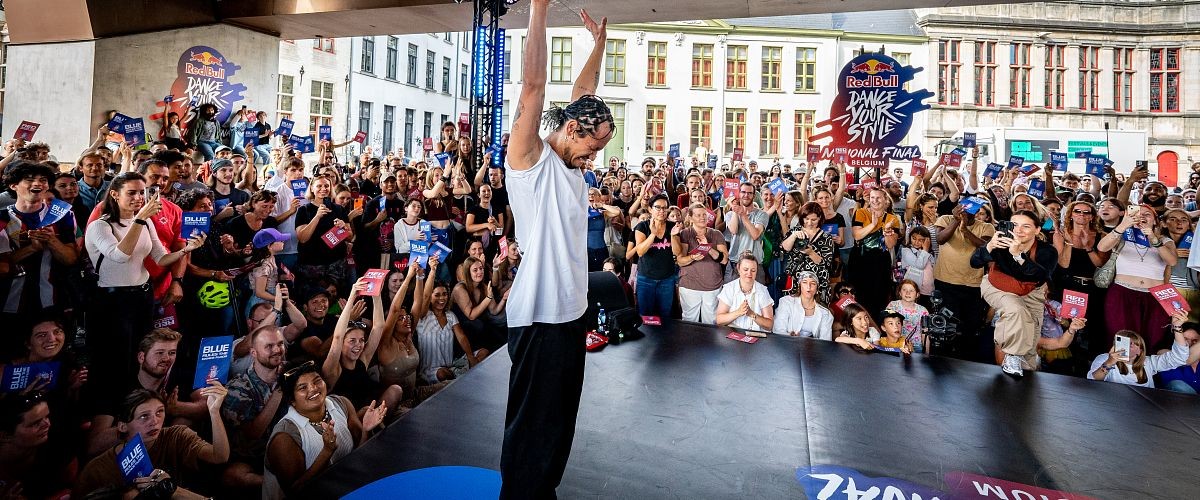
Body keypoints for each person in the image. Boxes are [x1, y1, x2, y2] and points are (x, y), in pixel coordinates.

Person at [501, 2, 613, 496]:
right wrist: (539, 9)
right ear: (571, 130)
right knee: (532, 437)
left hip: (571, 315)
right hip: (539, 318)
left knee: (558, 434)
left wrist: (599, 45)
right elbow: (533, 88)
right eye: (592, 148)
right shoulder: (530, 159)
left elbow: (582, 94)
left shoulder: (572, 158)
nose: (594, 158)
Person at [83, 173, 205, 410]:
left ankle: (137, 405)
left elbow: (160, 257)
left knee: (138, 354)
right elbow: (119, 256)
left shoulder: (145, 222)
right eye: (132, 192)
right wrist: (139, 220)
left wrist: (186, 249)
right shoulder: (101, 225)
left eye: (142, 192)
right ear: (115, 195)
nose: (139, 198)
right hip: (112, 299)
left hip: (141, 296)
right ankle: (111, 411)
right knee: (114, 358)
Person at [76, 385, 230, 497]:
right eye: (144, 416)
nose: (154, 421)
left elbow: (219, 456)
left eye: (159, 412)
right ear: (123, 426)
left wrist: (214, 412)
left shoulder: (176, 435)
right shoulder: (97, 470)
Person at [262, 361, 385, 498]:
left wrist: (366, 429)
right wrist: (327, 451)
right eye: (303, 388)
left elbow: (357, 456)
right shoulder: (284, 437)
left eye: (317, 381)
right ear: (292, 400)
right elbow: (295, 492)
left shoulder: (341, 403)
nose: (313, 388)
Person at [973, 211, 1059, 376]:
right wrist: (990, 246)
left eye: (1026, 226)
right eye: (1015, 225)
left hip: (1032, 291)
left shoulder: (1047, 251)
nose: (1019, 230)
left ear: (1037, 229)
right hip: (997, 286)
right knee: (1016, 310)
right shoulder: (1001, 243)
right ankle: (1011, 355)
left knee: (1030, 337)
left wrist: (1018, 255)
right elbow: (974, 262)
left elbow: (1040, 276)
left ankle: (1024, 380)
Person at [1096, 204, 1177, 350]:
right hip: (1123, 292)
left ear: (1155, 221)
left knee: (1153, 339)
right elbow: (1102, 247)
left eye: (1147, 214)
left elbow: (1171, 261)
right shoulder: (1122, 236)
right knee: (1122, 338)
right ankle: (1121, 371)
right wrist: (1123, 225)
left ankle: (1145, 371)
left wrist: (1152, 237)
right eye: (1138, 213)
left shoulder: (1164, 240)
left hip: (1154, 296)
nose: (1142, 216)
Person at [323, 278, 403, 416]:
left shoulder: (362, 360)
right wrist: (353, 295)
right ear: (342, 344)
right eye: (352, 341)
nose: (358, 345)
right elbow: (337, 337)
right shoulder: (333, 369)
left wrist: (376, 295)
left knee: (396, 390)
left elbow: (378, 327)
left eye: (361, 340)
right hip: (349, 422)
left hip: (371, 414)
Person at [1089, 312, 1199, 388]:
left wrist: (1178, 327)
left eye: (1134, 343)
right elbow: (1091, 381)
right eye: (1125, 341)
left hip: (1142, 410)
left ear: (1140, 351)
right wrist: (1109, 363)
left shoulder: (1149, 362)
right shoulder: (1104, 358)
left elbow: (1179, 358)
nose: (1130, 344)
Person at [849, 188, 902, 318]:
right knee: (859, 296)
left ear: (885, 200)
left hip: (880, 262)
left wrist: (887, 233)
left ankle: (877, 328)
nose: (875, 201)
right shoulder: (861, 212)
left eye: (878, 198)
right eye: (872, 197)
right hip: (860, 260)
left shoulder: (892, 218)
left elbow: (890, 244)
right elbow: (857, 235)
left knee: (879, 297)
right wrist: (873, 225)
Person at [672, 203, 728, 323]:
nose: (702, 217)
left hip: (712, 286)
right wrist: (692, 257)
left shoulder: (716, 234)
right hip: (690, 286)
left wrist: (708, 247)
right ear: (691, 218)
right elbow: (680, 261)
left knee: (711, 322)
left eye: (704, 214)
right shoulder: (685, 233)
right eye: (698, 215)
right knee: (689, 321)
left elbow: (724, 260)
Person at [779, 201, 836, 304]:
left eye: (813, 219)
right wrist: (794, 236)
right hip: (796, 282)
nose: (809, 223)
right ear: (802, 218)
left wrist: (811, 253)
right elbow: (784, 248)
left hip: (818, 282)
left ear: (820, 218)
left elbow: (826, 263)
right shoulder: (794, 231)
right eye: (807, 219)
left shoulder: (826, 237)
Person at [632, 194, 678, 318]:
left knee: (665, 315)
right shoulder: (642, 226)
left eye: (664, 208)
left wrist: (673, 236)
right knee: (645, 316)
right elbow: (640, 251)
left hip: (667, 278)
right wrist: (652, 234)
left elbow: (677, 253)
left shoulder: (672, 227)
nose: (661, 211)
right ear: (650, 209)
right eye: (658, 207)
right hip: (646, 278)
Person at [714, 254, 774, 331]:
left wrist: (752, 314)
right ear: (738, 269)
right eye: (745, 269)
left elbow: (769, 325)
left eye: (753, 270)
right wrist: (738, 312)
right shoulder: (729, 288)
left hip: (756, 335)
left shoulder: (762, 290)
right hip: (732, 334)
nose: (749, 273)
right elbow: (719, 320)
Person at [772, 271, 834, 339]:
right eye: (804, 282)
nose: (809, 287)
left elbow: (825, 341)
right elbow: (778, 330)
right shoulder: (786, 302)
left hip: (813, 348)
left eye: (813, 283)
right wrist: (790, 336)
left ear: (817, 289)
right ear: (800, 286)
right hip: (787, 344)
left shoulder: (825, 313)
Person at [886, 280, 929, 353]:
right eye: (904, 289)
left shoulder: (923, 310)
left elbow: (925, 334)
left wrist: (927, 353)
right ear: (900, 293)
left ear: (917, 294)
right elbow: (887, 326)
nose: (908, 293)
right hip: (895, 343)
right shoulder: (893, 306)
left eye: (911, 290)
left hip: (916, 345)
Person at [1156, 321, 1200, 393]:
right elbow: (1184, 359)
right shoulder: (1163, 352)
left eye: (1195, 341)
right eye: (1184, 339)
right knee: (1178, 385)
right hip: (1169, 401)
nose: (1189, 344)